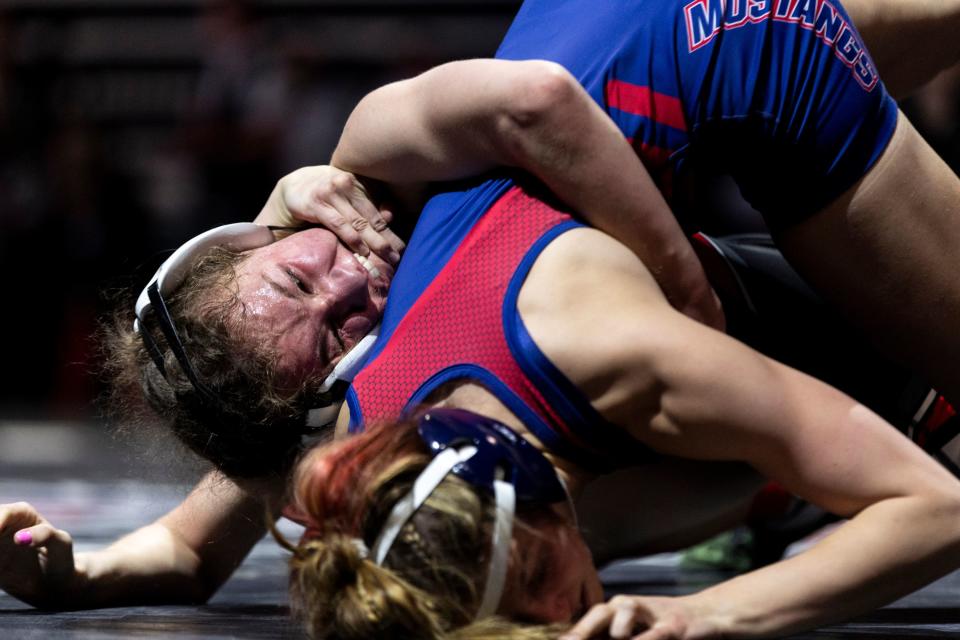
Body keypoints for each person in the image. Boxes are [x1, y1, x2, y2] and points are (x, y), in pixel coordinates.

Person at [1, 0, 959, 617]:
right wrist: (72, 578)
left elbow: (539, 102)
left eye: (299, 277)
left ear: (251, 234)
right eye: (339, 323)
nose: (353, 280)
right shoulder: (330, 439)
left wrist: (682, 287)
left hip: (743, 54)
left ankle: (874, 420)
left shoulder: (374, 171)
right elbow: (188, 541)